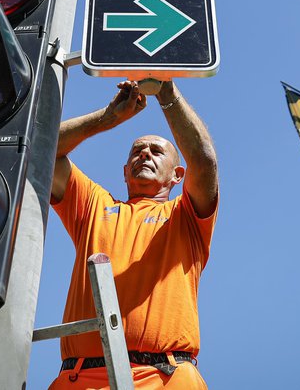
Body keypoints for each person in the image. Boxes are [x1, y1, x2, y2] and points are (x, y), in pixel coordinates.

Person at [48, 79, 219, 390]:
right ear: (125, 172)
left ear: (178, 175)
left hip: (165, 377)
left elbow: (204, 160)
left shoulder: (185, 216)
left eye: (156, 152)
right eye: (138, 151)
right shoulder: (94, 205)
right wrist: (107, 118)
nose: (145, 155)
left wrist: (166, 93)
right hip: (79, 379)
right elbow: (42, 150)